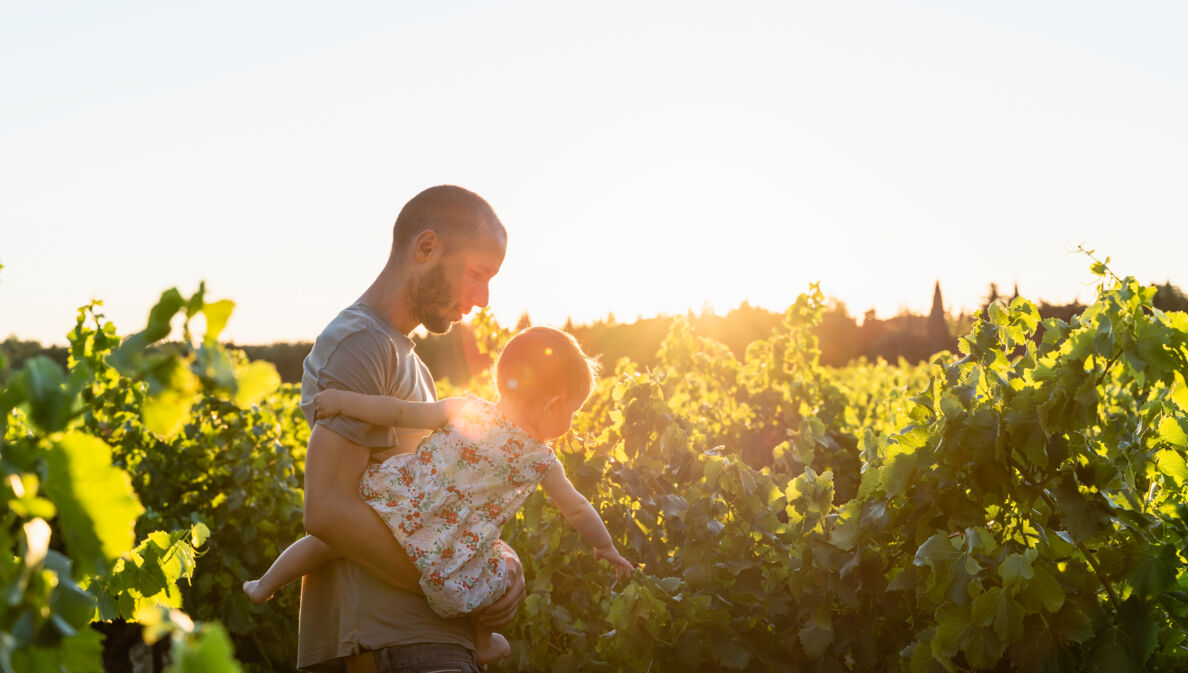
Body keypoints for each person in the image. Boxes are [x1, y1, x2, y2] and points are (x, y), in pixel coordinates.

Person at [245, 327, 634, 665]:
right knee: (495, 575)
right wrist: (604, 545)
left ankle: (265, 584)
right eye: (573, 412)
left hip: (405, 500)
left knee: (328, 543)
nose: (571, 423)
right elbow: (578, 509)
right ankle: (483, 643)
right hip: (448, 545)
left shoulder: (467, 409)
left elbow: (397, 413)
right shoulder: (540, 460)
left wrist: (344, 402)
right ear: (553, 405)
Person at [284, 185, 521, 673]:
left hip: (420, 643)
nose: (482, 299)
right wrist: (460, 586)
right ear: (426, 247)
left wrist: (493, 559)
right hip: (388, 646)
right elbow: (327, 511)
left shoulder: (407, 362)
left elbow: (429, 508)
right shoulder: (359, 345)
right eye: (476, 275)